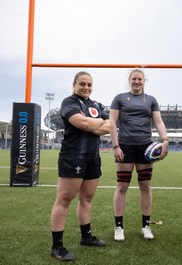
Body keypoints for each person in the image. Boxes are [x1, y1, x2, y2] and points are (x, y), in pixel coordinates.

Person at [50, 71, 110, 261]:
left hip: (93, 157)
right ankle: (57, 246)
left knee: (87, 199)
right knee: (64, 200)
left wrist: (94, 124)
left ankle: (86, 237)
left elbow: (111, 125)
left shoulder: (96, 105)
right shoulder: (69, 102)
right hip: (73, 156)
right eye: (82, 84)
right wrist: (98, 123)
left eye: (89, 85)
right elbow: (81, 122)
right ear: (74, 84)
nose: (86, 87)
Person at [109, 68, 169, 242]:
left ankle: (146, 226)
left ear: (144, 81)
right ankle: (119, 227)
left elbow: (158, 121)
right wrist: (115, 146)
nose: (136, 82)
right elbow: (112, 123)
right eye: (134, 79)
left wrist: (164, 139)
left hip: (145, 148)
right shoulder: (119, 98)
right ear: (130, 80)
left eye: (139, 79)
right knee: (122, 186)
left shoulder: (151, 100)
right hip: (125, 146)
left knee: (145, 186)